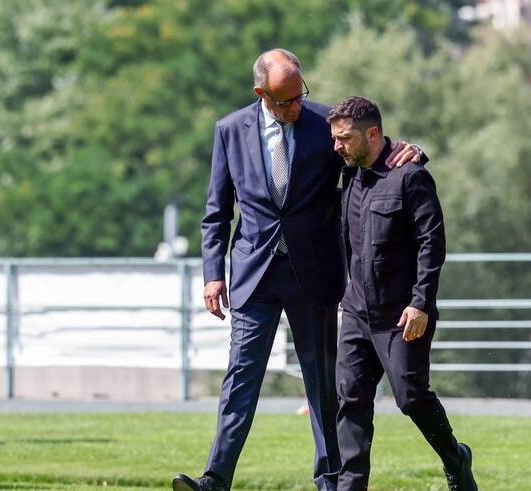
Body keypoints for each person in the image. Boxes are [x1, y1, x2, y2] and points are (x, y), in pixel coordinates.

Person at [172, 49, 422, 491]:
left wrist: (411, 150)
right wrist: (212, 274)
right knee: (240, 379)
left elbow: (367, 148)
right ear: (261, 93)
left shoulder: (323, 123)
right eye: (285, 100)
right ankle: (215, 479)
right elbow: (217, 211)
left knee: (323, 385)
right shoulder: (229, 130)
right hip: (254, 276)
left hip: (314, 274)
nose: (296, 106)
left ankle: (330, 480)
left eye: (299, 96)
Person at [328, 96, 477, 491]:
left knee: (411, 398)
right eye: (335, 138)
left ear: (372, 134)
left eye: (345, 138)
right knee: (350, 400)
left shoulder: (410, 177)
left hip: (402, 315)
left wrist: (421, 303)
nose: (337, 146)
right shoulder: (348, 173)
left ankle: (455, 458)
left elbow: (432, 242)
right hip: (357, 312)